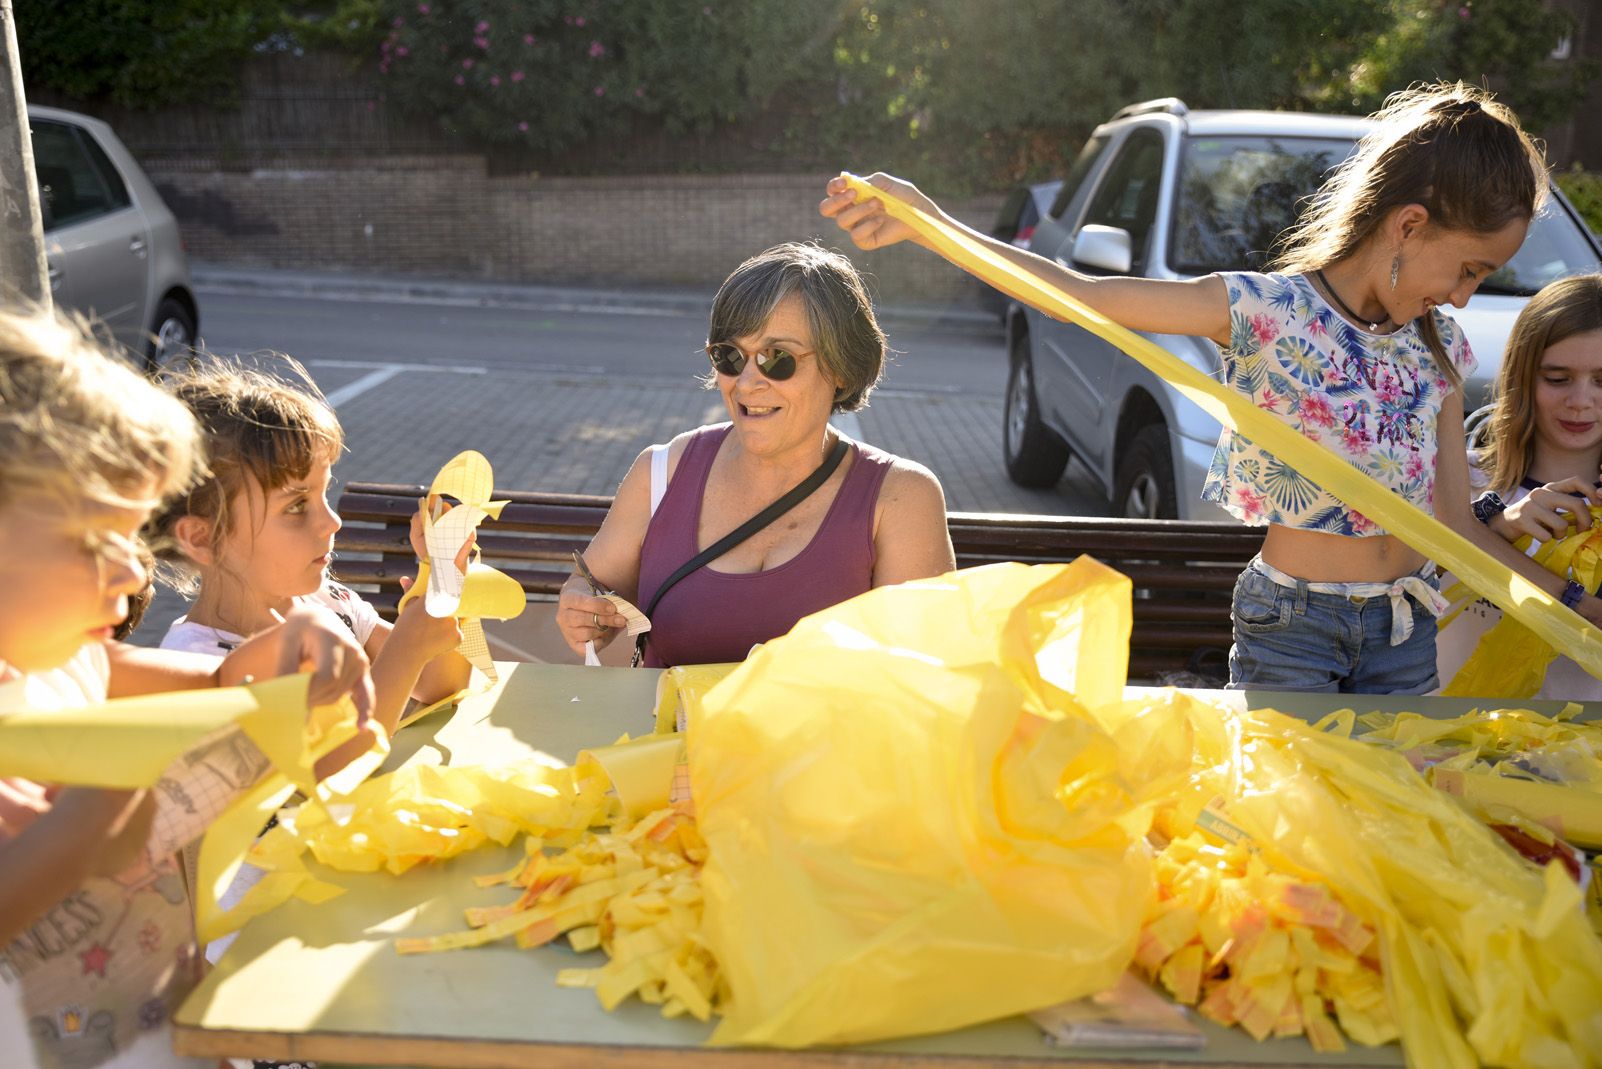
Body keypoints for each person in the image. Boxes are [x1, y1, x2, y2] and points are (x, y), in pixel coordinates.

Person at [821, 82, 1600, 694]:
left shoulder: (1439, 346)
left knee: (1379, 836)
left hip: (1406, 631)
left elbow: (1456, 525)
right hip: (1296, 627)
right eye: (1467, 269)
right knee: (1283, 837)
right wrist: (926, 222)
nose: (1466, 296)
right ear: (1407, 225)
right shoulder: (1267, 311)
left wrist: (1576, 611)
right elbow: (1077, 296)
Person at [0, 308, 376, 1069]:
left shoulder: (71, 659)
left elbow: (216, 682)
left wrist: (284, 655)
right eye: (93, 538)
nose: (137, 570)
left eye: (135, 535)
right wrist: (74, 839)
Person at [558, 242, 956, 667]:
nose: (746, 383)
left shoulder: (901, 499)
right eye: (729, 356)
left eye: (777, 358)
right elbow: (589, 584)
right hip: (670, 734)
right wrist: (584, 610)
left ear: (841, 368)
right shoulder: (661, 472)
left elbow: (921, 682)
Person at [147, 360, 469, 737]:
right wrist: (408, 647)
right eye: (296, 506)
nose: (333, 522)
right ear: (204, 538)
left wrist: (440, 580)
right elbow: (327, 765)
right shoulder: (195, 665)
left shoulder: (326, 601)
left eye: (324, 494)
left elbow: (442, 685)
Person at [1436, 274, 1602, 698]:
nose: (1581, 401)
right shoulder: (1458, 482)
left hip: (1582, 757)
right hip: (1449, 743)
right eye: (1557, 378)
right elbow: (1390, 598)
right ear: (1520, 377)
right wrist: (1493, 530)